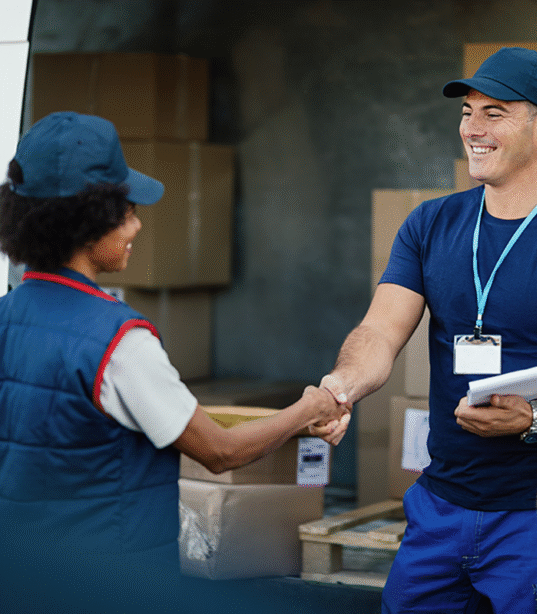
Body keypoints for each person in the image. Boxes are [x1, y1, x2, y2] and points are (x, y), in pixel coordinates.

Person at [314, 48, 537, 613]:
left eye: (494, 113)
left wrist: (536, 418)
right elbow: (379, 332)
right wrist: (339, 387)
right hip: (438, 511)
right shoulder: (430, 225)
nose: (472, 129)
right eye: (467, 112)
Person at [0, 111, 348, 607]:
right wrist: (306, 410)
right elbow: (219, 451)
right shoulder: (118, 342)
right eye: (126, 210)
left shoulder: (6, 317)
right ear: (89, 219)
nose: (137, 224)